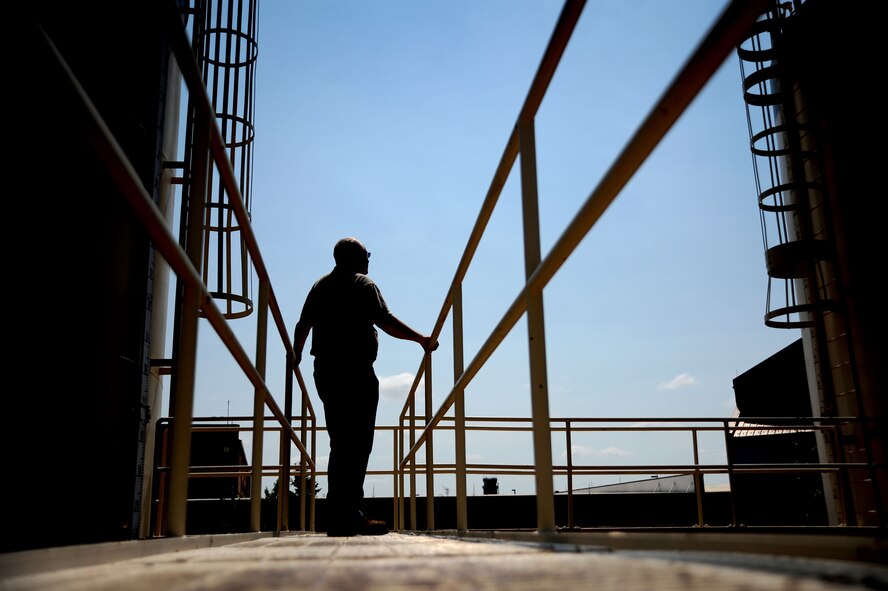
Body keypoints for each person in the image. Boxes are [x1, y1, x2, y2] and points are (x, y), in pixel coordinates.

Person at [293, 237, 439, 536]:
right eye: (367, 254)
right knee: (357, 444)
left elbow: (303, 323)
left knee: (341, 441)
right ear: (356, 258)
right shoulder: (363, 283)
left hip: (326, 370)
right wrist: (421, 340)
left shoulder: (321, 285)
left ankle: (339, 514)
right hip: (355, 372)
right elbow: (385, 321)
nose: (369, 260)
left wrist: (295, 355)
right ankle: (350, 514)